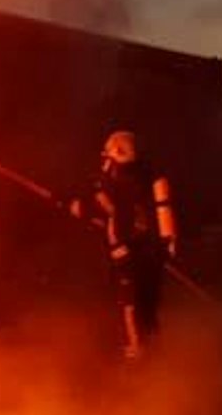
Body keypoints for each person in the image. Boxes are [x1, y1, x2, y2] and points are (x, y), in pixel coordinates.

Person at [71, 130, 178, 360]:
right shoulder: (150, 177)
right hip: (150, 252)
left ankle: (138, 347)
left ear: (116, 155)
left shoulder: (114, 182)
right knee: (147, 301)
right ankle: (153, 347)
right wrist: (168, 244)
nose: (105, 162)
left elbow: (109, 211)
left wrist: (80, 208)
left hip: (126, 251)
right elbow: (160, 211)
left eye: (108, 157)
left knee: (129, 299)